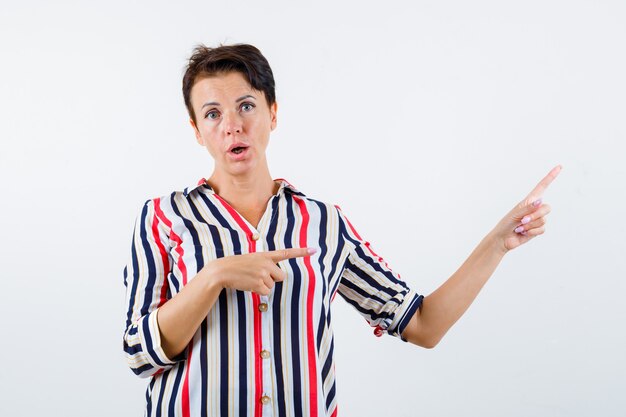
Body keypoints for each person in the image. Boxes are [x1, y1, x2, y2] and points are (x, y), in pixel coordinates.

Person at [123, 43, 561, 417]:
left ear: (272, 113)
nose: (232, 124)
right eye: (212, 113)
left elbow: (422, 324)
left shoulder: (324, 224)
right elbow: (139, 354)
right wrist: (213, 277)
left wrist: (498, 244)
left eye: (246, 106)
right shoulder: (163, 218)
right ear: (197, 131)